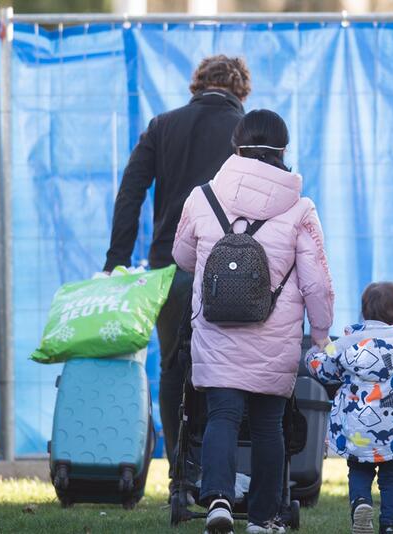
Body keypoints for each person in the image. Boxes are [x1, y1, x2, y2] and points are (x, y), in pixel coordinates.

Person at [172, 109, 334, 534]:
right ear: (283, 150)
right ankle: (262, 519)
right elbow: (317, 280)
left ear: (237, 148)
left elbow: (182, 257)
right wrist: (320, 334)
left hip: (217, 333)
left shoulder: (202, 197)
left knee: (221, 415)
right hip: (275, 336)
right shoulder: (301, 208)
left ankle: (219, 500)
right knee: (267, 426)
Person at [103, 55, 251, 490]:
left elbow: (131, 192)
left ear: (197, 85)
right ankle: (221, 475)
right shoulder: (246, 131)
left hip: (171, 265)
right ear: (241, 91)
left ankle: (179, 476)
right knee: (226, 370)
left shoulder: (162, 125)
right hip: (233, 266)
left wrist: (117, 260)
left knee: (172, 367)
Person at [306, 282, 393, 534]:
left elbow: (321, 368)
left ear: (364, 315)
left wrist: (313, 352)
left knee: (358, 469)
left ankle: (361, 503)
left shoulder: (345, 344)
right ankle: (389, 525)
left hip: (356, 427)